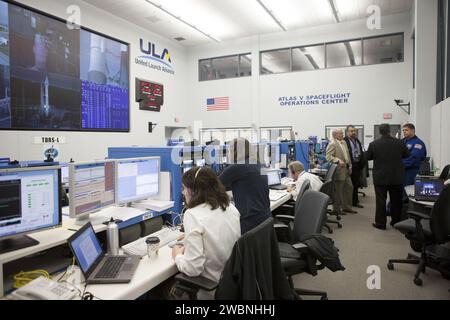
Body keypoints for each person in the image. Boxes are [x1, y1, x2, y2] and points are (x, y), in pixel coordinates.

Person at [172, 167, 241, 299]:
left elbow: (193, 269)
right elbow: (217, 235)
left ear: (194, 191)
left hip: (210, 287)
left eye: (184, 188)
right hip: (232, 283)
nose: (183, 192)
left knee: (160, 290)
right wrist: (190, 238)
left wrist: (177, 256)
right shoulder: (230, 207)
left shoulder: (192, 215)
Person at [219, 138, 271, 234]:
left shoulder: (237, 167)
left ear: (235, 151)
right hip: (264, 218)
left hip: (250, 222)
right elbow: (247, 183)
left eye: (229, 151)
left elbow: (213, 185)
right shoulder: (258, 164)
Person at [366, 124, 409, 230]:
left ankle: (381, 223)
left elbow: (368, 157)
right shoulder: (400, 142)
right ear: (389, 131)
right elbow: (406, 155)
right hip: (396, 177)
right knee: (396, 201)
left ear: (380, 132)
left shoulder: (374, 144)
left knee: (381, 201)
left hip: (380, 177)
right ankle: (396, 222)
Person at [326, 129, 356, 214]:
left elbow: (347, 156)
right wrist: (338, 160)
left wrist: (350, 166)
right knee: (338, 190)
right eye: (341, 133)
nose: (343, 134)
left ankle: (347, 207)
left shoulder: (344, 142)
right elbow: (328, 157)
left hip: (346, 169)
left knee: (349, 188)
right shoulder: (332, 144)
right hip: (339, 170)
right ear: (335, 135)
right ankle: (337, 209)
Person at [344, 125, 366, 208]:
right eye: (351, 131)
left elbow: (360, 151)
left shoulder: (357, 140)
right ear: (347, 132)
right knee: (349, 185)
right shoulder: (344, 141)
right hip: (349, 166)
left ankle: (355, 201)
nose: (353, 132)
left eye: (354, 131)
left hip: (357, 165)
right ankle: (348, 202)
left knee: (356, 184)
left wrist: (361, 163)